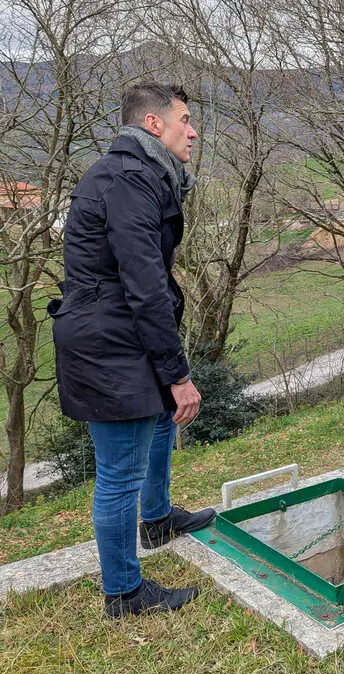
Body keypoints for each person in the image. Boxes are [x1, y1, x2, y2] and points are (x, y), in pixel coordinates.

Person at [49, 83, 215, 617]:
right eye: (184, 120)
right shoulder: (127, 181)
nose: (193, 132)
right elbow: (144, 284)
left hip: (120, 330)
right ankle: (124, 593)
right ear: (152, 124)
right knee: (120, 474)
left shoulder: (141, 174)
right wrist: (178, 375)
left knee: (163, 421)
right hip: (107, 343)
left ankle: (158, 519)